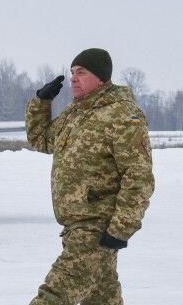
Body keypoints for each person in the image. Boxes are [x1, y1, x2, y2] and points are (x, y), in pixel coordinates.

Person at [26, 48, 154, 305]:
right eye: (72, 72)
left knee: (53, 297)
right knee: (102, 299)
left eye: (81, 72)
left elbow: (139, 176)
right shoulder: (75, 115)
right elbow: (40, 140)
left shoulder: (122, 115)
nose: (73, 78)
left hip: (96, 228)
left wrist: (120, 229)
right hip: (74, 228)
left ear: (101, 78)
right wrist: (41, 102)